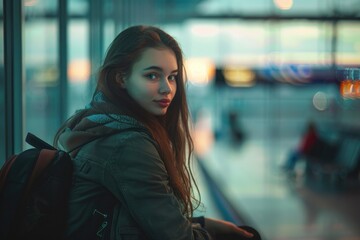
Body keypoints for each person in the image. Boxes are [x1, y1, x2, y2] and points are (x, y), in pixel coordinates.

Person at [54, 25, 256, 240]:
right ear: (121, 78)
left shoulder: (99, 122)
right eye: (152, 76)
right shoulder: (127, 145)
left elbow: (143, 215)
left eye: (172, 77)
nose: (167, 88)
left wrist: (207, 225)